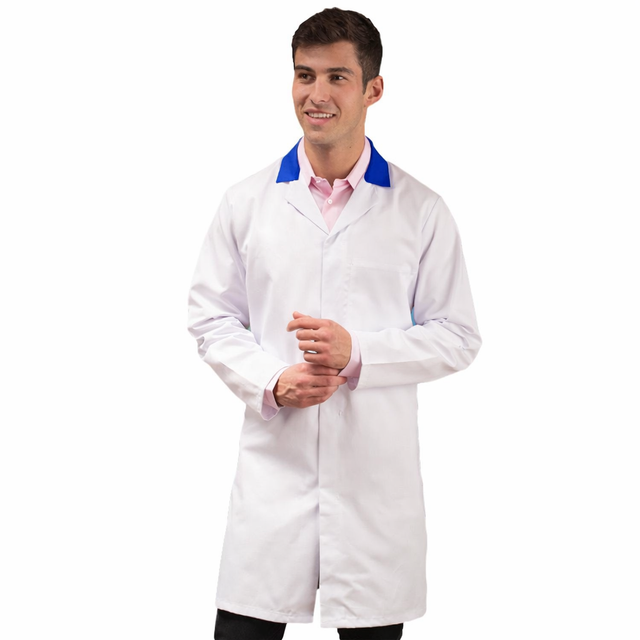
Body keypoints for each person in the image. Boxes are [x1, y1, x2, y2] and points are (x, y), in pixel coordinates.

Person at [187, 8, 481, 639]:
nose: (316, 94)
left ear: (373, 89)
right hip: (273, 482)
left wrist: (358, 354)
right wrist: (272, 381)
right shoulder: (246, 202)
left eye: (337, 77)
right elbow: (211, 316)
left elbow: (458, 335)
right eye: (304, 75)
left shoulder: (421, 210)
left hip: (374, 488)